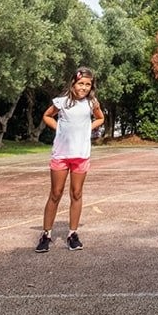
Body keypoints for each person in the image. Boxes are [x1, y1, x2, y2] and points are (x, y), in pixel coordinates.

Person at [35, 66, 105, 253]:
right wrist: (58, 127)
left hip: (81, 155)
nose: (84, 88)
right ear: (73, 83)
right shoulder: (62, 101)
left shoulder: (92, 103)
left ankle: (72, 234)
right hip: (61, 154)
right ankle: (46, 235)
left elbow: (100, 118)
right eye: (81, 83)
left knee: (76, 193)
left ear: (91, 87)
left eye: (88, 85)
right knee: (55, 193)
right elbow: (47, 116)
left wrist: (88, 128)